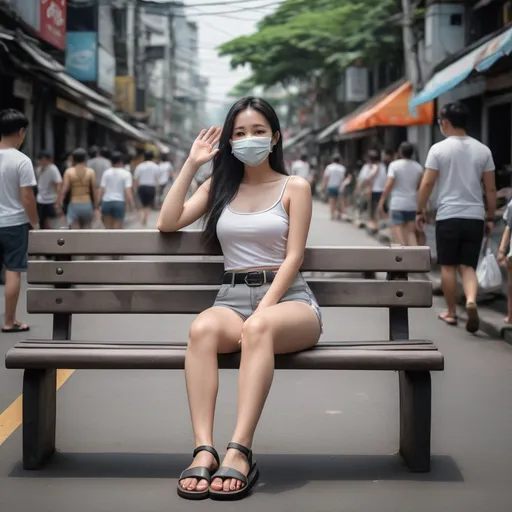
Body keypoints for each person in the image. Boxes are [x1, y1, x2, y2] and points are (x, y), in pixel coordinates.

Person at [157, 97, 322, 501]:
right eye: (240, 133)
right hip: (230, 298)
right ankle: (204, 448)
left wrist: (263, 309)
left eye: (258, 131)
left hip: (290, 302)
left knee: (261, 326)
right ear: (229, 142)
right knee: (202, 329)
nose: (249, 139)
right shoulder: (219, 187)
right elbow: (167, 221)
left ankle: (240, 449)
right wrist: (193, 164)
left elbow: (294, 256)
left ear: (275, 137)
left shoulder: (294, 186)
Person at [416, 101, 496, 333]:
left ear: (446, 123)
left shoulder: (438, 150)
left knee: (449, 266)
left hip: (448, 216)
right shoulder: (483, 150)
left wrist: (420, 210)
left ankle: (451, 312)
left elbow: (427, 183)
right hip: (474, 216)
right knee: (468, 266)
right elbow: (490, 189)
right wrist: (490, 217)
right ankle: (471, 300)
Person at [0, 109, 39, 333]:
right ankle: (9, 321)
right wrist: (35, 222)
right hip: (14, 224)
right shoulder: (22, 161)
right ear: (21, 132)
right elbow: (27, 197)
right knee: (12, 271)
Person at [378, 142, 423, 245]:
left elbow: (389, 185)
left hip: (397, 204)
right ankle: (414, 255)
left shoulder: (394, 165)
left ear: (400, 152)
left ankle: (403, 254)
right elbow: (419, 187)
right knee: (411, 232)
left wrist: (382, 201)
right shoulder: (418, 167)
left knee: (397, 231)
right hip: (412, 204)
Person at [59, 148, 99, 229]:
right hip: (87, 204)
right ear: (85, 159)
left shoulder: (69, 172)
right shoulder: (90, 172)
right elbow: (94, 190)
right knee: (86, 232)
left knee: (75, 234)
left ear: (73, 159)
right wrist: (96, 206)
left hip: (74, 204)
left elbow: (64, 190)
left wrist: (59, 203)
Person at [99, 151, 134, 229]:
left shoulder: (106, 173)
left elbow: (102, 189)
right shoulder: (126, 174)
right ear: (121, 161)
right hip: (119, 203)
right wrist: (131, 203)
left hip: (106, 202)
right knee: (117, 231)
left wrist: (98, 204)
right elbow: (128, 190)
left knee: (108, 229)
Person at [358, 149, 387, 231]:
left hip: (372, 190)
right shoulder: (383, 166)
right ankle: (380, 223)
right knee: (380, 207)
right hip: (382, 190)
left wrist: (361, 188)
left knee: (372, 208)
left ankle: (373, 224)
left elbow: (365, 179)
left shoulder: (368, 167)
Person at [35, 150, 62, 229]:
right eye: (40, 160)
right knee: (41, 222)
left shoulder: (53, 169)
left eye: (44, 159)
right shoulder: (39, 169)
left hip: (51, 199)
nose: (42, 162)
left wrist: (58, 201)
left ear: (49, 160)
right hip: (40, 199)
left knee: (51, 222)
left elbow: (59, 184)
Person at [134, 149, 159, 226]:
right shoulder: (155, 166)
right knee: (148, 205)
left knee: (142, 203)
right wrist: (156, 189)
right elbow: (156, 179)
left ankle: (142, 217)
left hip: (142, 187)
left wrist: (135, 188)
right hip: (151, 187)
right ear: (152, 157)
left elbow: (136, 179)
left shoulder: (139, 166)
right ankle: (145, 217)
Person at [322, 155, 347, 220]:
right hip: (339, 186)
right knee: (339, 201)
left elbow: (326, 177)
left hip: (331, 186)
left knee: (332, 201)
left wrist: (324, 185)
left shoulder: (329, 167)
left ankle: (332, 214)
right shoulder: (342, 168)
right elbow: (343, 178)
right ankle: (339, 214)